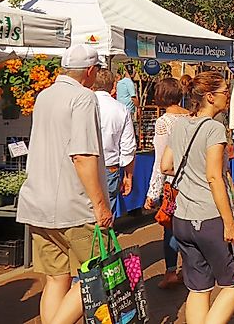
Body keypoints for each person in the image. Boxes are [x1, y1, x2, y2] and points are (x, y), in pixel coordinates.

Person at [16, 45, 111, 324]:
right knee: (94, 275)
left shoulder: (44, 96)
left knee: (56, 278)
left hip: (38, 201)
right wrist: (100, 204)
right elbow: (82, 155)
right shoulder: (84, 98)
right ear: (91, 71)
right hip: (74, 206)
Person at [162, 71, 234, 322]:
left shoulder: (178, 124)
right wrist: (230, 222)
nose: (228, 98)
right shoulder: (214, 128)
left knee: (198, 288)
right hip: (210, 217)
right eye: (224, 92)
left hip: (182, 219)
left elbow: (166, 166)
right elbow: (214, 177)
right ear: (210, 97)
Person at [145, 77, 190, 289]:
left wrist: (153, 192)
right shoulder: (191, 116)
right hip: (193, 179)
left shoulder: (164, 121)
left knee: (171, 227)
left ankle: (171, 271)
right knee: (190, 225)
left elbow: (160, 159)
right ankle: (191, 268)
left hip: (173, 181)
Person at [91, 69, 136, 214]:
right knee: (106, 215)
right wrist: (128, 176)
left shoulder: (82, 104)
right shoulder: (121, 109)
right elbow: (128, 148)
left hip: (85, 164)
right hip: (110, 167)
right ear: (113, 87)